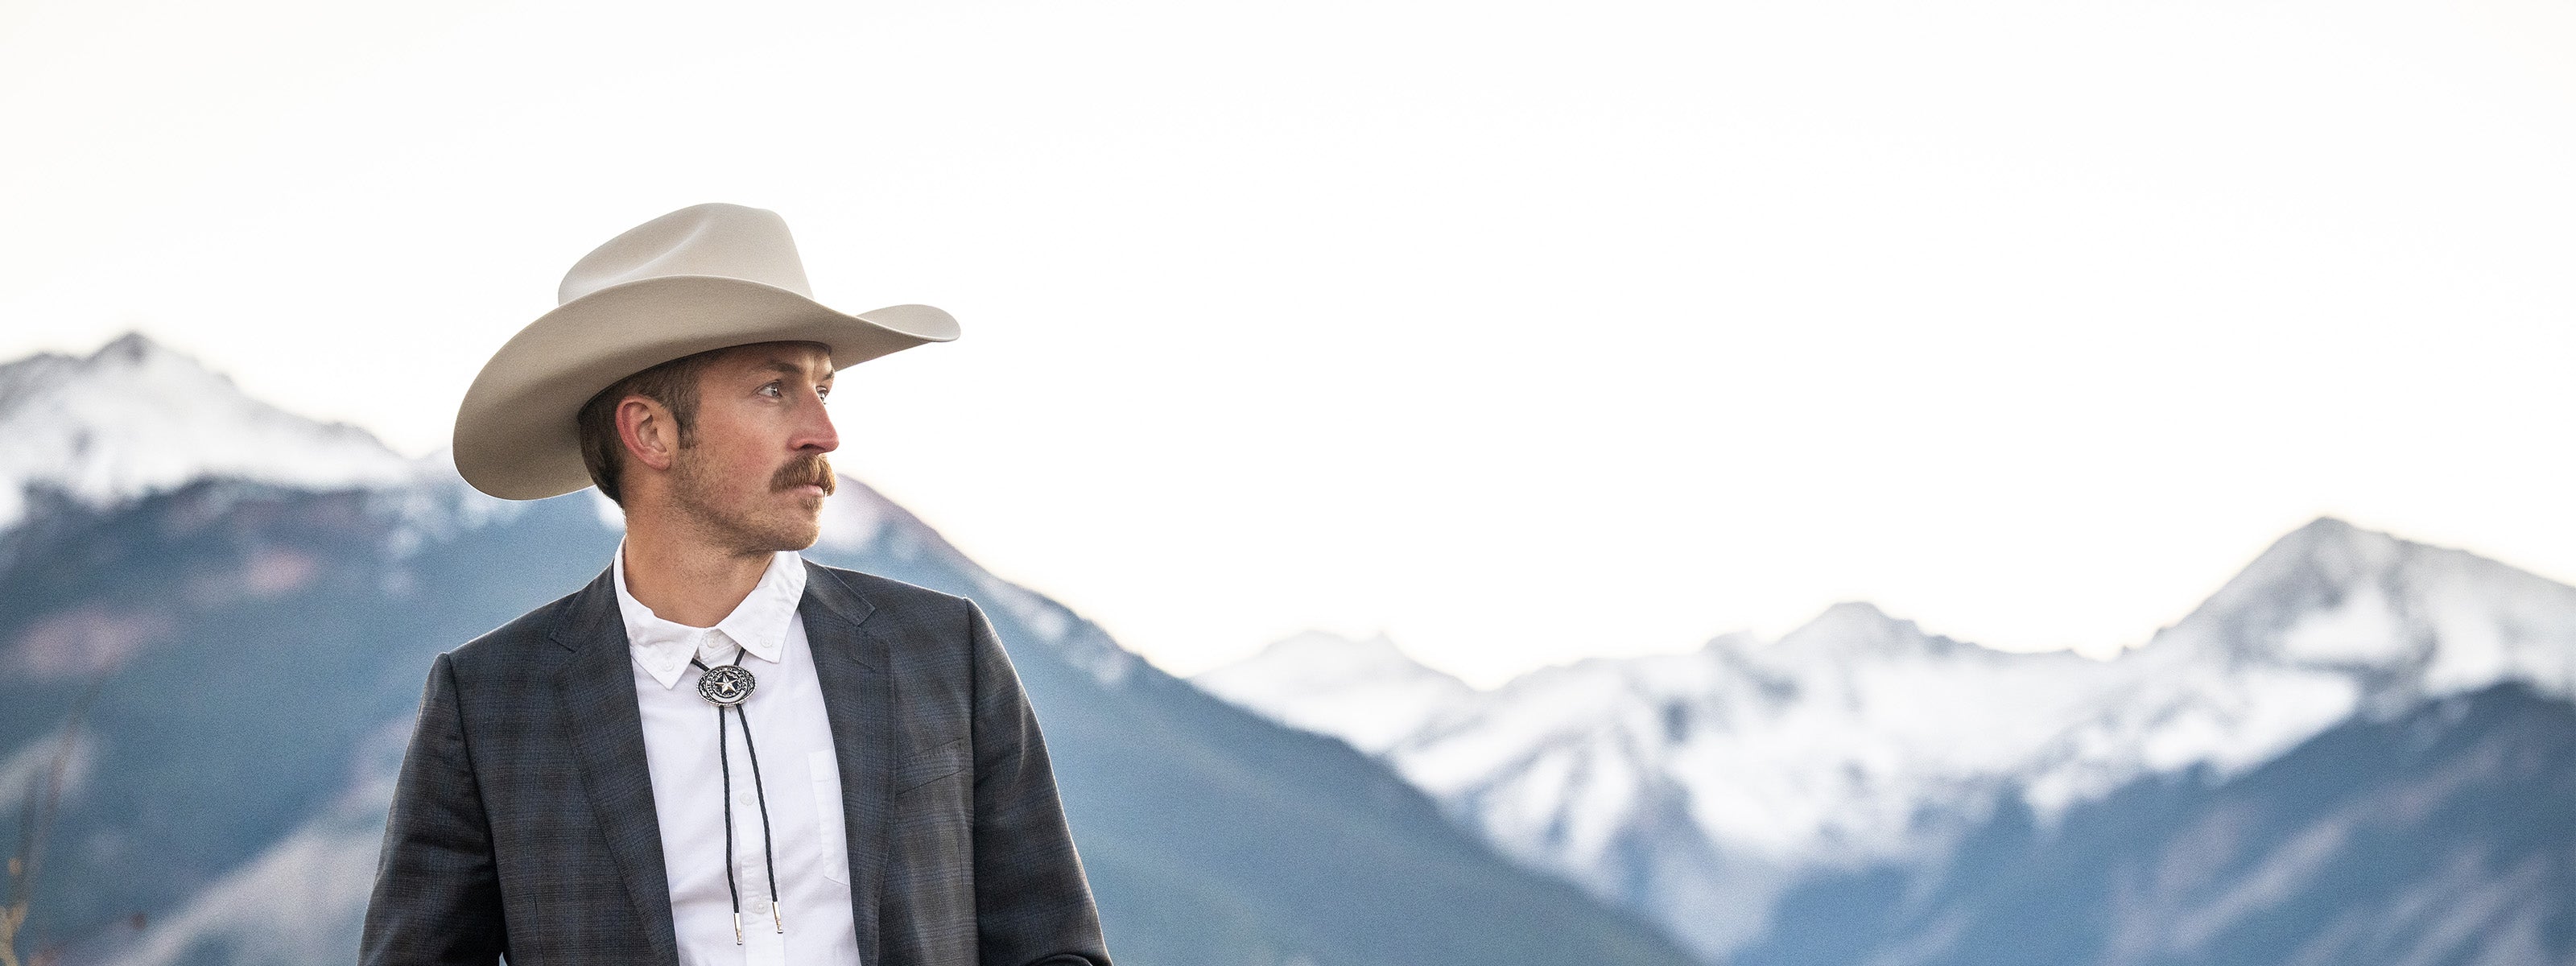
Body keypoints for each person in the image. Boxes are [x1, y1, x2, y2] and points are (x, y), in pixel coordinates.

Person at [360, 203, 1110, 966]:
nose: (824, 431)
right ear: (649, 432)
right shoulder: (494, 701)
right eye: (775, 390)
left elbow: (1055, 950)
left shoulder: (942, 652)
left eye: (825, 388)